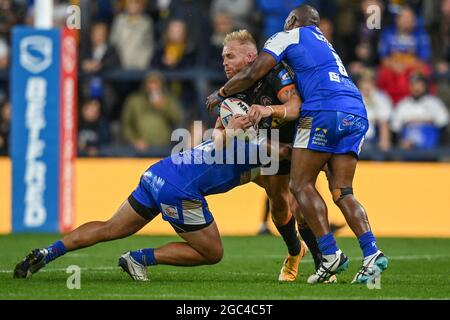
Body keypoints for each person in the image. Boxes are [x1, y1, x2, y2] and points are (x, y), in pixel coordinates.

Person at [206, 5, 388, 284]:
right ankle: (371, 252)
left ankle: (329, 256)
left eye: (229, 55)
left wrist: (221, 93)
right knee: (341, 191)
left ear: (291, 21)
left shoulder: (286, 37)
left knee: (299, 186)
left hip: (320, 112)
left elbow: (260, 75)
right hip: (354, 109)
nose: (225, 62)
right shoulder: (325, 44)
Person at [13, 115, 291, 281]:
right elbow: (281, 156)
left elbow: (272, 187)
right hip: (179, 191)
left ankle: (48, 252)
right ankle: (138, 259)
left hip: (157, 173)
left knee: (111, 227)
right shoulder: (256, 148)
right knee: (212, 252)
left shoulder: (235, 143)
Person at [218, 30, 321, 281]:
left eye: (230, 56)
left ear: (251, 57)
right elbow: (220, 133)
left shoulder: (276, 73)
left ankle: (323, 264)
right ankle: (295, 251)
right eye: (223, 58)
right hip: (272, 150)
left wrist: (267, 110)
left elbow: (295, 107)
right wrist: (223, 134)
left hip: (300, 137)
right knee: (278, 207)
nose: (225, 62)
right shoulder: (232, 92)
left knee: (300, 202)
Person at [391, 73, 449, 150]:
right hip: (408, 150)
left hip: (431, 148)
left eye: (419, 85)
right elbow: (395, 128)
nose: (416, 88)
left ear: (424, 86)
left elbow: (443, 124)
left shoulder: (435, 103)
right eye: (413, 85)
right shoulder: (402, 105)